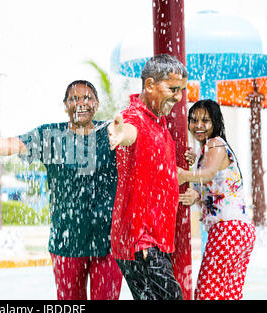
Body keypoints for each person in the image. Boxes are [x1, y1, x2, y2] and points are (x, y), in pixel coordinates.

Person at [0, 80, 123, 300]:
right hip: (66, 240)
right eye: (74, 98)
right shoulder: (51, 136)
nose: (81, 103)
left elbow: (137, 137)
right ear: (65, 105)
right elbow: (10, 144)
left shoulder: (111, 133)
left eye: (87, 98)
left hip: (108, 241)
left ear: (97, 104)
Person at [107, 54, 188, 300]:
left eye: (181, 90)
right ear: (150, 84)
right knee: (172, 296)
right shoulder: (135, 118)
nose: (178, 96)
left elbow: (166, 175)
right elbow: (129, 131)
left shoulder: (158, 124)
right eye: (173, 89)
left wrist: (196, 178)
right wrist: (120, 133)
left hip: (153, 239)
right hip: (140, 241)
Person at [177, 99, 256, 300]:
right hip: (241, 230)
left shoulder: (215, 143)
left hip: (227, 229)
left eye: (205, 120)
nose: (198, 125)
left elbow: (210, 173)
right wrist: (194, 185)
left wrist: (183, 174)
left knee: (207, 293)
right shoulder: (210, 149)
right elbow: (210, 184)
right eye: (193, 120)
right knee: (227, 294)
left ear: (216, 122)